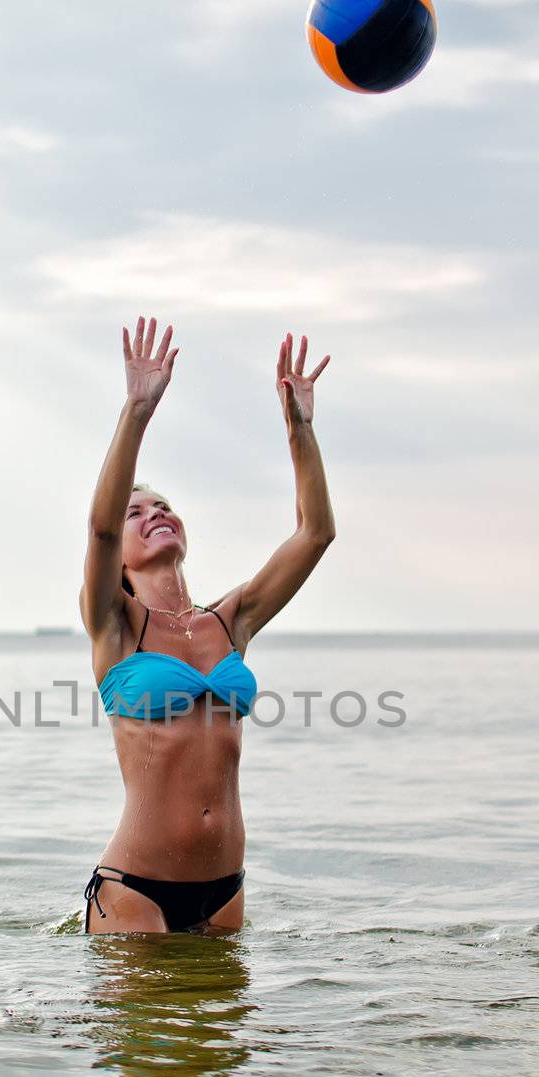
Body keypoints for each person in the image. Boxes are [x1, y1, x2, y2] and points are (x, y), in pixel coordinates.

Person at [80, 315, 336, 934]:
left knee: (228, 1036)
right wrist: (136, 411)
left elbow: (315, 533)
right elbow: (102, 527)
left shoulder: (232, 621)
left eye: (164, 505)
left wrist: (299, 428)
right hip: (134, 891)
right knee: (140, 1036)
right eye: (139, 511)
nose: (155, 514)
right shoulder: (115, 624)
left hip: (226, 892)